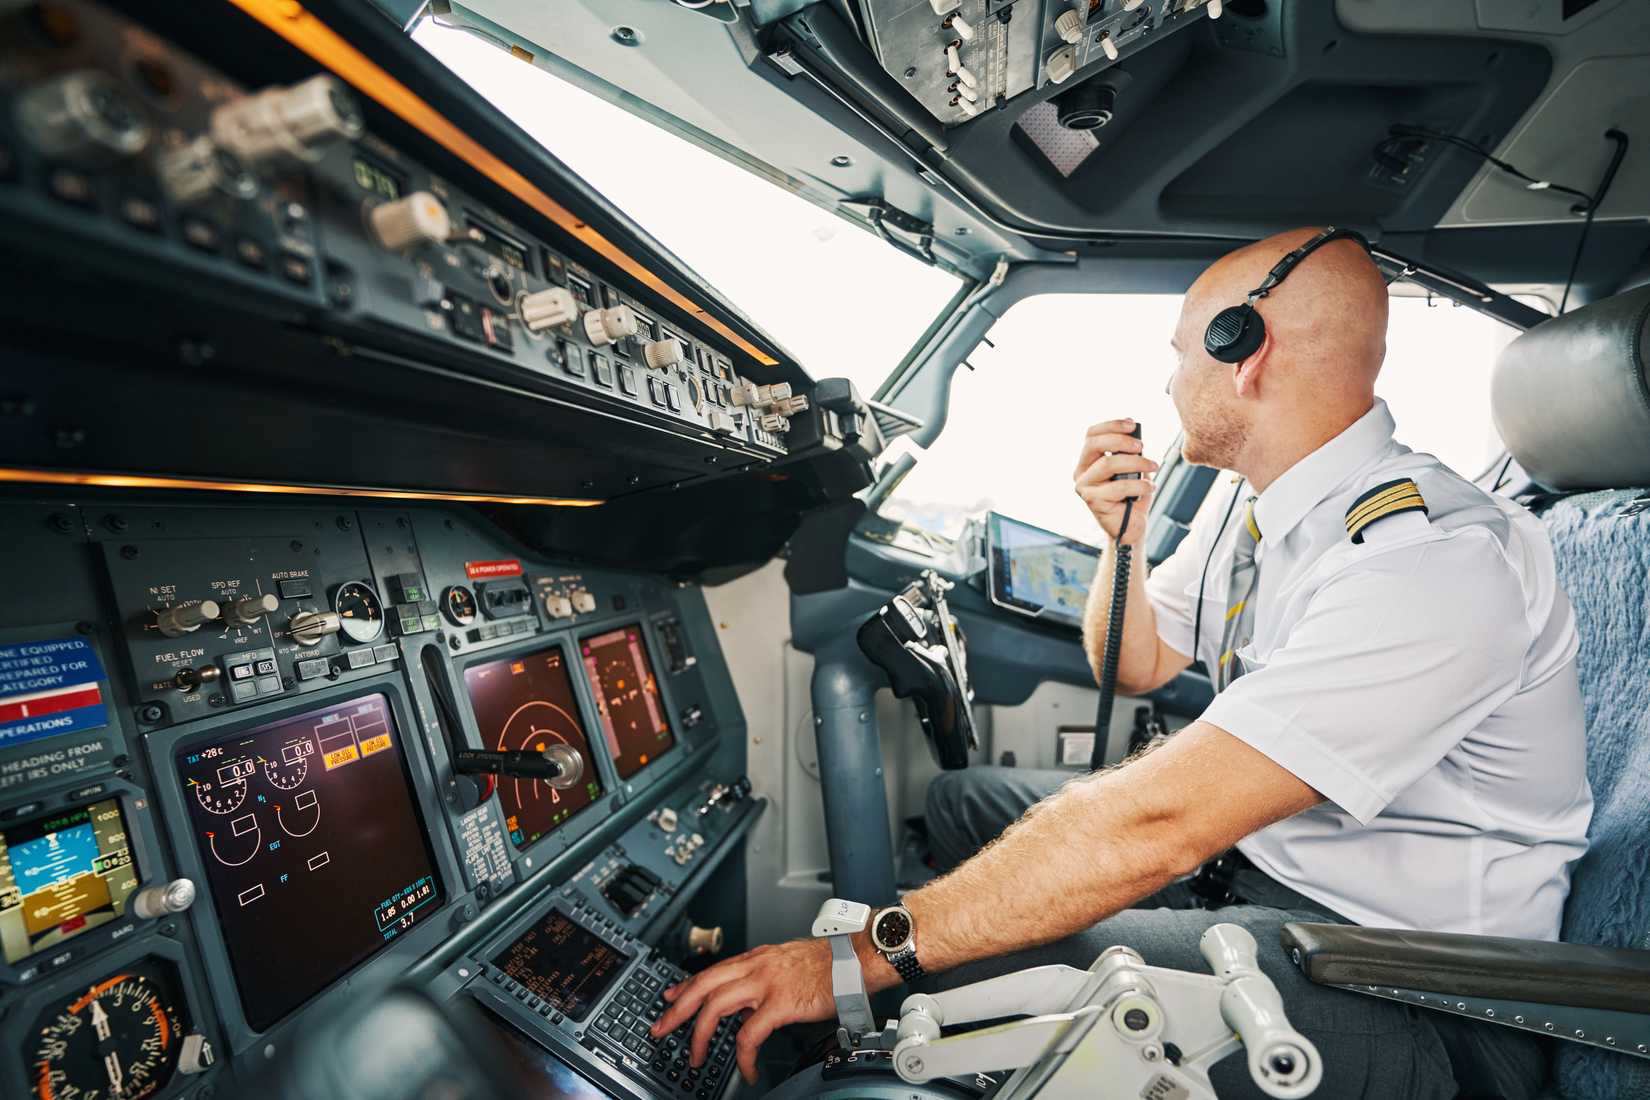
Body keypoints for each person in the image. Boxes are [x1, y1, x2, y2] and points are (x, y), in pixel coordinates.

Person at [650, 228, 1593, 1098]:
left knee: (951, 976)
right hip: (1270, 882)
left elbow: (1161, 822)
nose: (1174, 381)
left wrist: (864, 954)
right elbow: (1136, 663)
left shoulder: (1429, 559)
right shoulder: (1252, 507)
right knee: (962, 805)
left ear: (1243, 348)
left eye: (1184, 354)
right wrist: (1123, 539)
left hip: (1419, 990)